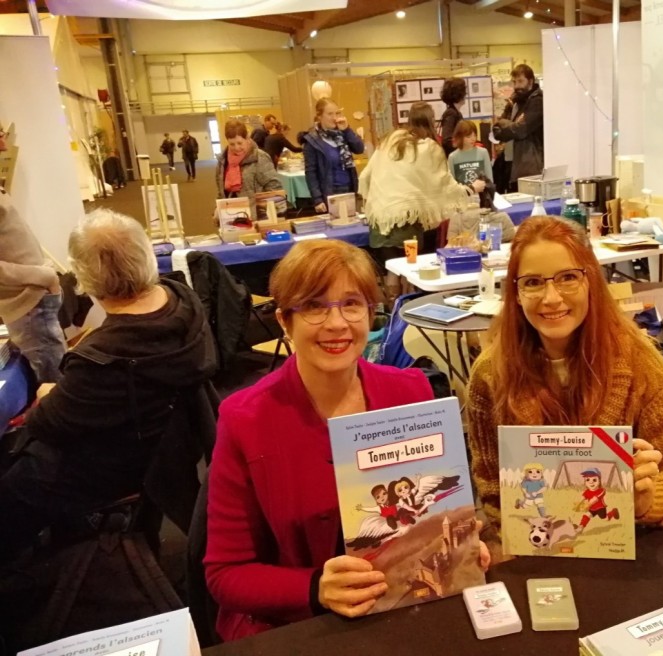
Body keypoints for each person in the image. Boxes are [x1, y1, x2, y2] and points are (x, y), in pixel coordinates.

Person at [204, 239, 487, 641]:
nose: (337, 323)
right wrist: (314, 587)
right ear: (285, 321)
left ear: (370, 314)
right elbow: (225, 574)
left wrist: (459, 545)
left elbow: (430, 512)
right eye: (314, 306)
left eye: (352, 304)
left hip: (405, 606)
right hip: (300, 627)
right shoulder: (245, 419)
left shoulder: (411, 392)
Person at [466, 217, 663, 558]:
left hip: (627, 550)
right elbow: (493, 493)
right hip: (538, 553)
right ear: (515, 294)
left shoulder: (635, 358)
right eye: (533, 282)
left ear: (591, 280)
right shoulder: (491, 374)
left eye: (568, 278)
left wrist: (647, 501)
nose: (551, 298)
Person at [0, 209, 216, 560]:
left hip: (117, 462)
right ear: (145, 255)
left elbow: (45, 424)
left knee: (13, 483)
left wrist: (50, 393)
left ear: (84, 277)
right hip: (162, 446)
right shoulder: (184, 303)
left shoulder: (103, 357)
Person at [359, 101, 483, 299]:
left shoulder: (390, 140)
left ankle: (394, 311)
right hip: (406, 222)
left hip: (379, 220)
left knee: (392, 271)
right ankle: (406, 310)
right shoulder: (427, 148)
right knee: (410, 271)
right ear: (431, 121)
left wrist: (376, 200)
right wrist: (471, 189)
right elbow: (444, 184)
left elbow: (365, 176)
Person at [0, 124, 65, 384]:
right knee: (55, 386)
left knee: (56, 377)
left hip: (33, 300)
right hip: (27, 303)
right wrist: (43, 275)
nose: (4, 145)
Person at [302, 99, 365, 214]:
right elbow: (311, 172)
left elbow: (359, 149)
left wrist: (347, 130)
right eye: (330, 114)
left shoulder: (342, 134)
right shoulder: (312, 141)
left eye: (337, 113)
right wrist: (317, 199)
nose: (334, 117)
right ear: (320, 116)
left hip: (349, 189)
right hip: (329, 193)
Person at [492, 64, 544, 188]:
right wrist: (513, 125)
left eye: (520, 81)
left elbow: (520, 130)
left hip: (530, 166)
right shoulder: (514, 102)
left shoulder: (537, 101)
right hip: (511, 162)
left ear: (530, 81)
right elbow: (496, 130)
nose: (516, 86)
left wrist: (509, 125)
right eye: (514, 82)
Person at [215, 119, 281, 200]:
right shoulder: (222, 160)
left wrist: (263, 206)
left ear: (247, 138)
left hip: (255, 207)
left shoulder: (260, 157)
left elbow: (275, 188)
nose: (236, 148)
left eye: (239, 143)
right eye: (232, 144)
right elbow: (221, 192)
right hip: (229, 207)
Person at [448, 119, 493, 186]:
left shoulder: (483, 152)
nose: (473, 139)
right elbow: (452, 184)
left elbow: (489, 179)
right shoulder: (453, 157)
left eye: (475, 135)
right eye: (468, 136)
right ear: (460, 137)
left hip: (482, 192)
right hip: (463, 192)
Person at [438, 77, 467, 158]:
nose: (465, 95)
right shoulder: (451, 113)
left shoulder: (455, 112)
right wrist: (462, 146)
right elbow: (447, 140)